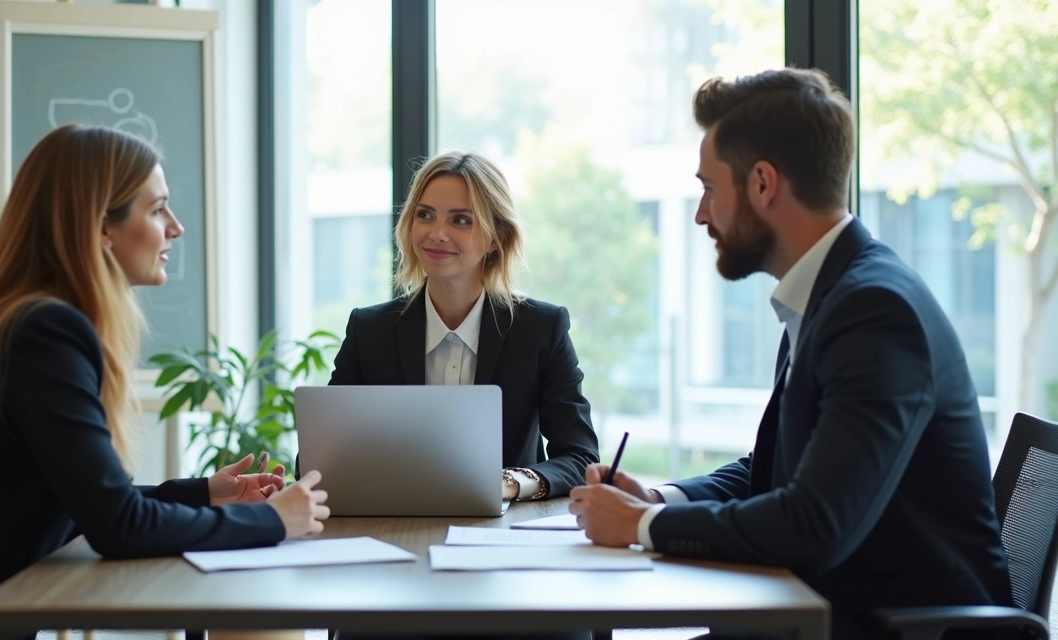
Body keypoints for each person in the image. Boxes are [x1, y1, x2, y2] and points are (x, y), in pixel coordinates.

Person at [569, 68, 1014, 640]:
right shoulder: (830, 293)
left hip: (886, 625)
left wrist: (643, 525)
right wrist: (658, 497)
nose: (702, 215)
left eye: (708, 188)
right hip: (824, 606)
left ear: (762, 184)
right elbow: (775, 469)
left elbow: (813, 522)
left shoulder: (874, 311)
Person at [0, 125, 330, 640]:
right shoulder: (46, 331)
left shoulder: (28, 319)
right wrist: (276, 521)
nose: (176, 228)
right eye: (158, 209)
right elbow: (117, 525)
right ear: (102, 226)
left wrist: (207, 494)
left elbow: (81, 500)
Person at [325, 151, 599, 640]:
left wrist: (511, 482)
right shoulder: (369, 330)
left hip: (505, 555)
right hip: (394, 552)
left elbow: (580, 457)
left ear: (494, 237)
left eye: (461, 220)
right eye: (425, 215)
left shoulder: (540, 328)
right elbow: (322, 458)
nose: (437, 233)